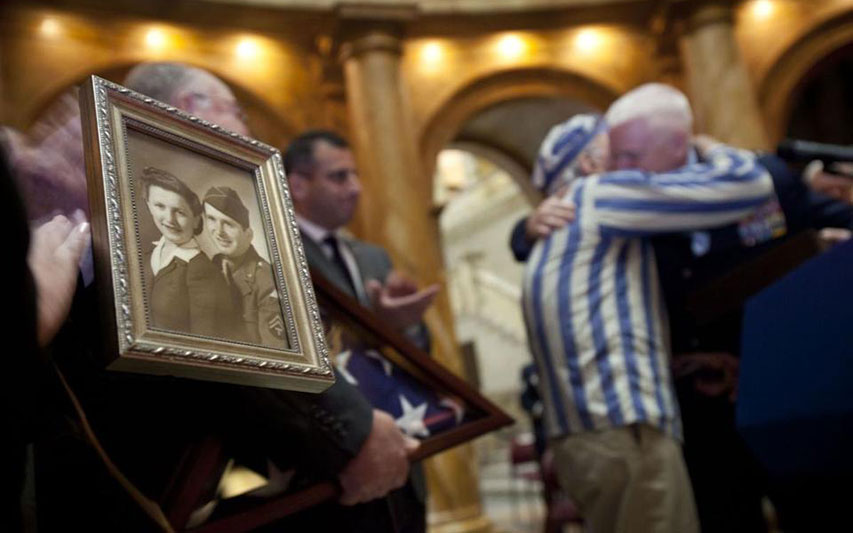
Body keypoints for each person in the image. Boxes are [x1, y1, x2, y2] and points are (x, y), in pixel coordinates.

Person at [32, 62, 415, 531]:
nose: (249, 133)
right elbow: (229, 340)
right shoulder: (127, 210)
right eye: (239, 112)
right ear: (194, 109)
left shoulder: (85, 206)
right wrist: (354, 432)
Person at [521, 84, 774, 533]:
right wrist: (708, 147)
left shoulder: (556, 227)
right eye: (614, 153)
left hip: (589, 438)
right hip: (625, 431)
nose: (626, 167)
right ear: (589, 163)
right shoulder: (597, 196)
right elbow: (748, 185)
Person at [283, 129, 439, 532]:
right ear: (297, 183)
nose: (355, 188)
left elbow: (418, 355)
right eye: (339, 177)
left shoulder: (372, 256)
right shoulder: (279, 250)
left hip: (402, 457)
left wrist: (406, 327)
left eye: (355, 175)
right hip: (333, 470)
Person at [140, 166, 232, 337]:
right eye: (160, 206)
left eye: (180, 212)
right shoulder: (148, 254)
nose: (169, 219)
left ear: (196, 220)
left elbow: (206, 340)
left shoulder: (202, 271)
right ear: (149, 205)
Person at [202, 185, 286, 347]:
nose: (218, 232)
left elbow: (274, 352)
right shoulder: (212, 265)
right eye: (212, 219)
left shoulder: (267, 281)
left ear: (248, 234)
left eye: (228, 223)